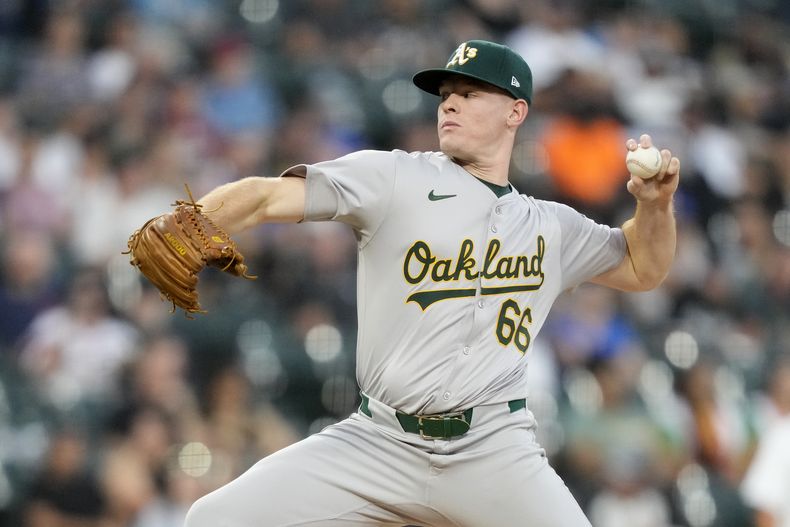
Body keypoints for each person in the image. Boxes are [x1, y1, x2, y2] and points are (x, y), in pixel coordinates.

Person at [182, 40, 680, 527]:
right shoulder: (394, 177)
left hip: (493, 450)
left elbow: (643, 268)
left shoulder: (551, 226)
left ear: (516, 112)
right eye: (446, 95)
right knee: (214, 518)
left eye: (470, 93)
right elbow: (267, 197)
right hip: (378, 442)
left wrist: (655, 206)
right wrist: (185, 225)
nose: (450, 105)